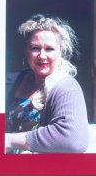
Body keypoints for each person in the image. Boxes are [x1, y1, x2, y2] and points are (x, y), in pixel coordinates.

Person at [5, 14, 89, 153]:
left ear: (60, 51)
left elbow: (74, 139)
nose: (42, 56)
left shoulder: (66, 87)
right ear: (26, 51)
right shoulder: (15, 80)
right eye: (35, 48)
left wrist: (9, 140)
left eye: (49, 49)